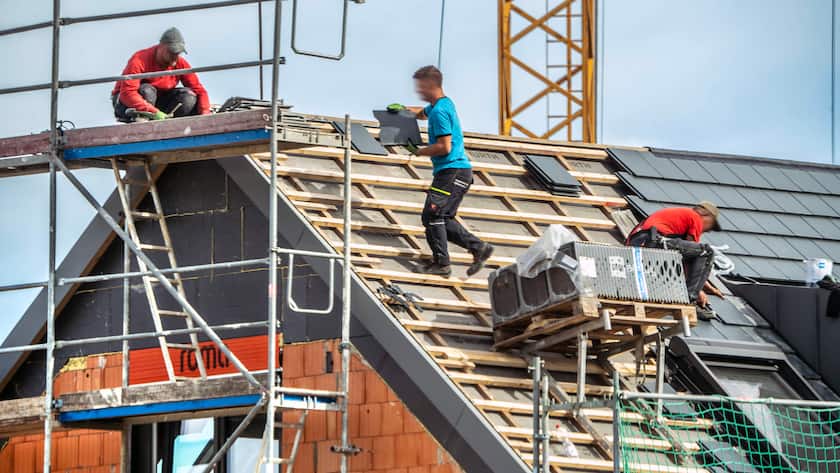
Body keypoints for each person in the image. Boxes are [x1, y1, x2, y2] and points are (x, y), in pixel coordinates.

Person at [391, 65, 493, 277]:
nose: (418, 92)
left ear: (430, 85)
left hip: (451, 172)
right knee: (442, 218)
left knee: (433, 215)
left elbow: (444, 146)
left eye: (420, 87)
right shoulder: (442, 104)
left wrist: (418, 152)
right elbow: (421, 113)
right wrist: (403, 110)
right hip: (456, 173)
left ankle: (442, 264)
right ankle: (478, 248)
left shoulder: (439, 112)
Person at [625, 201, 723, 319]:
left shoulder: (678, 216)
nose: (706, 231)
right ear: (706, 216)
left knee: (681, 263)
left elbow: (692, 263)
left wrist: (707, 287)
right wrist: (697, 291)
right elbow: (692, 259)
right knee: (707, 252)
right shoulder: (694, 217)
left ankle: (686, 295)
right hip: (654, 242)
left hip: (638, 245)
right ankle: (689, 301)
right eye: (710, 227)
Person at [112, 27, 211, 122]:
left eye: (178, 53)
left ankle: (168, 125)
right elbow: (127, 93)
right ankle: (143, 120)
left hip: (158, 105)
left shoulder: (180, 63)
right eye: (172, 52)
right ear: (161, 47)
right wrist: (154, 112)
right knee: (147, 91)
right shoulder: (139, 60)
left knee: (188, 96)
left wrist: (205, 112)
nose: (175, 57)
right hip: (126, 104)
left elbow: (199, 90)